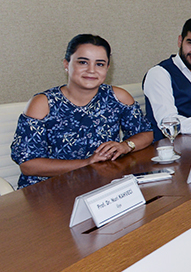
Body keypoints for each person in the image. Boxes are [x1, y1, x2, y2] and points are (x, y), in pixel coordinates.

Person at [11, 34, 153, 188]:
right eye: (83, 62)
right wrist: (87, 163)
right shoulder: (43, 103)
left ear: (107, 68)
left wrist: (126, 145)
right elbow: (28, 165)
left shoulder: (118, 97)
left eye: (99, 64)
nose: (91, 70)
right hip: (49, 189)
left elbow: (146, 133)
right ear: (66, 64)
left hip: (102, 184)